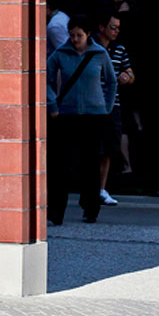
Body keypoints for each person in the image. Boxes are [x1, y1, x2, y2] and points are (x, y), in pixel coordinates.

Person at [45, 13, 117, 226]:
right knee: (61, 165)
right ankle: (56, 211)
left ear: (88, 34)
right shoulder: (60, 53)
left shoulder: (99, 53)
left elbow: (111, 81)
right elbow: (45, 78)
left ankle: (90, 208)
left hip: (94, 116)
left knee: (90, 164)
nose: (75, 39)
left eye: (79, 35)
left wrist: (106, 107)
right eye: (72, 35)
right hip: (67, 115)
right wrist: (53, 105)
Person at [94, 10, 134, 205]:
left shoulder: (120, 49)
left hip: (112, 105)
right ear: (102, 27)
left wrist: (127, 77)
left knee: (108, 149)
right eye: (113, 27)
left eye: (118, 28)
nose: (116, 31)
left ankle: (101, 189)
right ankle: (93, 188)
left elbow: (130, 73)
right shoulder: (90, 47)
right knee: (93, 148)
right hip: (92, 105)